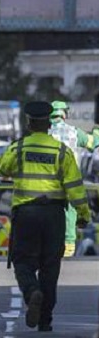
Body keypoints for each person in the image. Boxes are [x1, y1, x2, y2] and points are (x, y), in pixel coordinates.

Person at [0, 101, 90, 332]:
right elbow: (75, 187)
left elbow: (1, 167)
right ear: (48, 124)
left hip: (26, 214)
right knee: (50, 267)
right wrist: (83, 215)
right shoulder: (61, 152)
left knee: (23, 262)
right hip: (54, 215)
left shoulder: (18, 148)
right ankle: (45, 319)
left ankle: (31, 292)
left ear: (29, 123)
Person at [49, 100, 95, 257]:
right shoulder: (74, 132)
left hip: (49, 181)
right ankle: (68, 245)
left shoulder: (43, 133)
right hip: (70, 181)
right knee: (70, 210)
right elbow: (92, 143)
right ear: (64, 114)